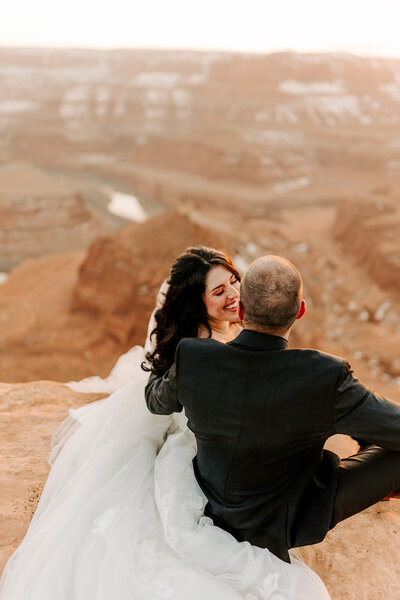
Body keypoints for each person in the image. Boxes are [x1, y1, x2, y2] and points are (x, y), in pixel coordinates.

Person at [0, 247, 330, 600]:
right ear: (197, 304)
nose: (234, 294)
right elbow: (166, 405)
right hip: (185, 438)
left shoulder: (221, 338)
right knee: (174, 535)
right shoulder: (196, 350)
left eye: (234, 281)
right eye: (219, 292)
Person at [146, 254, 400, 567]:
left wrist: (164, 334)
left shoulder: (193, 357)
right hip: (290, 522)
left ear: (240, 310)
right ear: (300, 311)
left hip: (214, 511)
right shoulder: (324, 374)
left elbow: (156, 401)